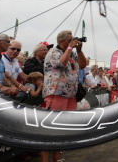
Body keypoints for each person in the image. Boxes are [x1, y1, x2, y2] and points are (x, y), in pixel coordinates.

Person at [41, 30, 86, 162]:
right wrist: (70, 47)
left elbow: (83, 65)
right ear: (62, 41)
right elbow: (60, 64)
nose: (73, 41)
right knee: (50, 130)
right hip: (56, 93)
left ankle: (56, 159)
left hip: (71, 95)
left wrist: (79, 50)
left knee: (63, 129)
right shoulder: (53, 52)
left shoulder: (72, 53)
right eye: (70, 39)